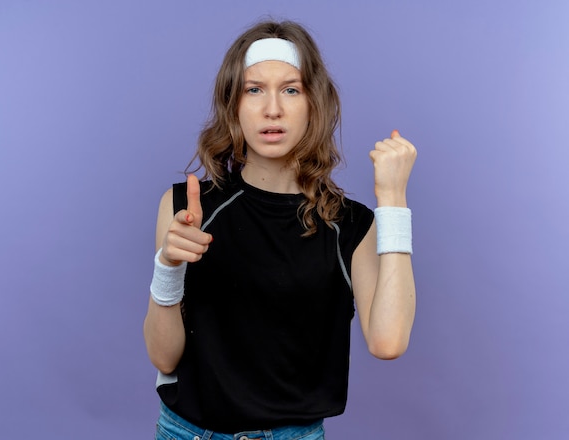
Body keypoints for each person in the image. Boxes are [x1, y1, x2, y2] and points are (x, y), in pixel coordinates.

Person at [143, 20, 417, 440]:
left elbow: (388, 342)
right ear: (234, 104)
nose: (273, 109)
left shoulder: (350, 225)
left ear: (314, 104)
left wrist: (393, 200)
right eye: (254, 90)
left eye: (291, 89)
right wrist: (168, 266)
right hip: (185, 433)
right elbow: (164, 359)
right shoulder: (187, 208)